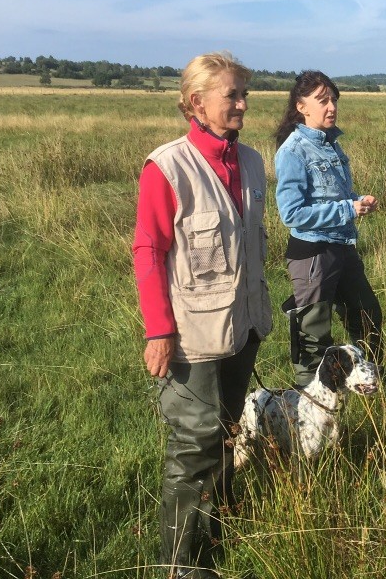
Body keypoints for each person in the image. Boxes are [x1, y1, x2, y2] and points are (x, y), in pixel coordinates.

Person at [133, 52, 273, 578]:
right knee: (193, 448)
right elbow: (148, 249)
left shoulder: (254, 162)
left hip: (244, 326)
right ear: (197, 103)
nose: (241, 105)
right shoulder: (167, 167)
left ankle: (220, 532)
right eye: (231, 96)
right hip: (191, 335)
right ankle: (180, 566)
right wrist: (159, 330)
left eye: (243, 95)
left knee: (229, 432)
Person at [273, 71, 382, 388]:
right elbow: (292, 213)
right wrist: (349, 209)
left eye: (333, 99)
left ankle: (362, 381)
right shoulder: (293, 151)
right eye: (323, 100)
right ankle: (308, 405)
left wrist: (357, 200)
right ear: (302, 106)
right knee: (313, 334)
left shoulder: (332, 145)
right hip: (313, 255)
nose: (331, 106)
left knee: (367, 315)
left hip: (342, 247)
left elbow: (331, 196)